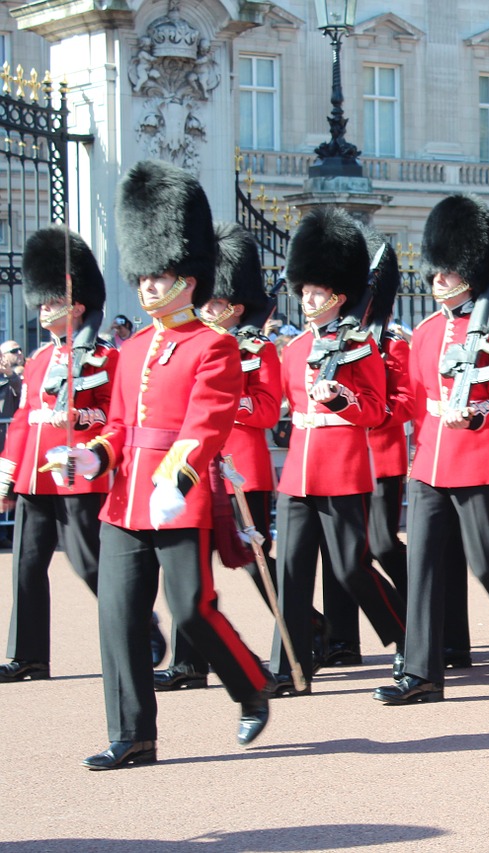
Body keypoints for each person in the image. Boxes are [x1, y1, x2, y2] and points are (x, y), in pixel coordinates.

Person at [53, 159, 270, 768]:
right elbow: (120, 425)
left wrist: (177, 474)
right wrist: (91, 455)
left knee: (191, 609)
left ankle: (250, 684)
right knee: (118, 614)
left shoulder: (215, 344)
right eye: (144, 277)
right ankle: (133, 735)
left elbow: (208, 422)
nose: (149, 287)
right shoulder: (131, 350)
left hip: (180, 490)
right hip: (125, 499)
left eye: (162, 276)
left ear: (189, 279)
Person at [374, 193, 489, 705]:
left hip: (482, 462)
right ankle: (421, 673)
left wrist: (480, 413)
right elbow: (413, 398)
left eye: (450, 272)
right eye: (437, 271)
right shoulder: (426, 333)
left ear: (471, 275)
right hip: (430, 460)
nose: (439, 279)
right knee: (424, 566)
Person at [268, 207, 406, 697]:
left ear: (339, 296)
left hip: (343, 464)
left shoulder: (361, 348)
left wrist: (341, 399)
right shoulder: (291, 349)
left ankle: (404, 634)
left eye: (317, 292)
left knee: (350, 566)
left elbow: (373, 411)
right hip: (299, 469)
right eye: (303, 291)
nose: (307, 300)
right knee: (291, 569)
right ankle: (289, 666)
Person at [154, 221, 283, 691]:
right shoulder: (194, 348)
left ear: (235, 307)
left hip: (242, 471)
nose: (208, 310)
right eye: (206, 302)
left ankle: (302, 629)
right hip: (199, 470)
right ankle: (190, 662)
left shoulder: (258, 349)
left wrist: (228, 401)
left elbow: (267, 411)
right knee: (194, 573)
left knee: (254, 565)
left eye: (216, 303)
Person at [0, 227, 115, 683]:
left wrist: (82, 424)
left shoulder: (104, 357)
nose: (44, 309)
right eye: (43, 302)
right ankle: (28, 654)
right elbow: (26, 418)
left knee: (88, 562)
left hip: (75, 470)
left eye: (52, 301)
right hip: (34, 475)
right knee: (26, 564)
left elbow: (111, 414)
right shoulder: (36, 360)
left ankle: (140, 626)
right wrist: (8, 474)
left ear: (77, 305)